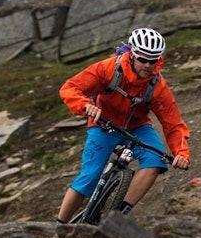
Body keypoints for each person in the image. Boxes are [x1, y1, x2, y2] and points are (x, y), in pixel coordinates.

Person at [55, 27, 191, 222]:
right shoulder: (107, 69)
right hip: (103, 125)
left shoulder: (157, 86)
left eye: (153, 60)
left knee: (156, 162)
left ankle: (117, 216)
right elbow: (70, 88)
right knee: (90, 177)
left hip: (138, 127)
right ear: (132, 54)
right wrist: (85, 106)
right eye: (142, 59)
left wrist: (181, 153)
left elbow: (173, 123)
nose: (147, 65)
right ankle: (59, 226)